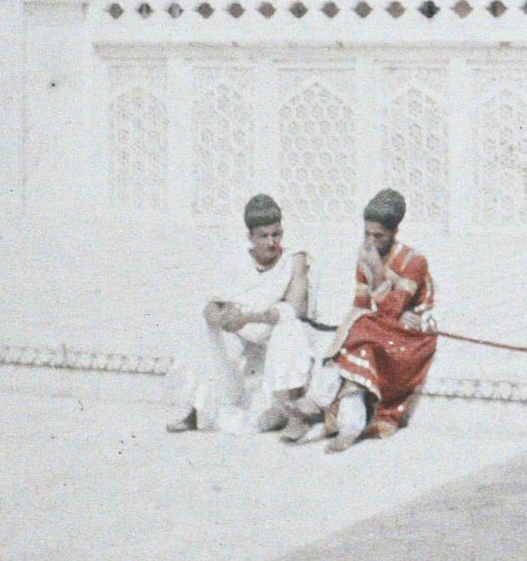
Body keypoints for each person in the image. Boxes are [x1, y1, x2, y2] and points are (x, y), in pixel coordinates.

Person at [279, 188, 437, 453]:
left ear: (395, 232)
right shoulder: (365, 255)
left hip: (412, 334)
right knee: (357, 338)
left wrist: (377, 271)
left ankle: (319, 402)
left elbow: (393, 310)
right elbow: (361, 304)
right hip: (380, 328)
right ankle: (349, 425)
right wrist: (347, 330)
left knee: (360, 331)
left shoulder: (414, 261)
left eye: (379, 235)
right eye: (367, 233)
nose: (371, 241)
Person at [166, 193, 322, 435]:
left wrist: (246, 319)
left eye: (276, 234)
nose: (271, 242)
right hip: (243, 332)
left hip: (273, 334)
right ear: (250, 237)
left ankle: (295, 414)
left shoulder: (295, 259)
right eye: (264, 236)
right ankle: (197, 411)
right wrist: (215, 316)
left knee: (291, 328)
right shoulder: (237, 258)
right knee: (204, 329)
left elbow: (296, 308)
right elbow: (213, 302)